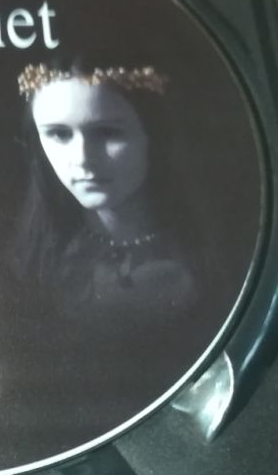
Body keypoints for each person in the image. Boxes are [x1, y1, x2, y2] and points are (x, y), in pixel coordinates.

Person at [12, 61, 197, 319]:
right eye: (59, 134)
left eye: (108, 133)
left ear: (153, 134)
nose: (82, 159)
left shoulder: (206, 258)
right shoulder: (37, 257)